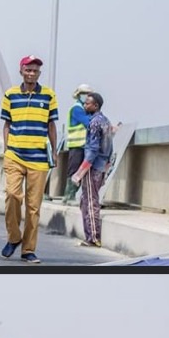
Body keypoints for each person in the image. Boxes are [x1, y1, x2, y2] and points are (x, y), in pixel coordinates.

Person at [0, 54, 58, 264]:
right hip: (14, 154)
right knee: (13, 196)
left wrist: (55, 151)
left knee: (34, 207)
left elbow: (51, 125)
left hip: (39, 157)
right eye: (28, 70)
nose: (31, 73)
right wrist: (6, 149)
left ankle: (28, 249)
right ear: (21, 71)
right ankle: (14, 237)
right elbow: (6, 124)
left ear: (39, 73)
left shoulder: (49, 96)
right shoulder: (11, 95)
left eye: (35, 70)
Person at [71, 92, 114, 249]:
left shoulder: (94, 123)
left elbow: (92, 149)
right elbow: (109, 147)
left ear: (95, 106)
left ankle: (93, 238)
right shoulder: (106, 121)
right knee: (86, 200)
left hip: (93, 167)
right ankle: (91, 236)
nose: (85, 105)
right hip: (101, 167)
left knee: (90, 201)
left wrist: (81, 171)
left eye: (88, 103)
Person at [62, 84, 93, 204]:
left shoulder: (84, 109)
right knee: (74, 170)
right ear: (79, 95)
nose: (87, 96)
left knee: (80, 171)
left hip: (83, 145)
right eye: (85, 93)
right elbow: (88, 123)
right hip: (76, 145)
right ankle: (69, 196)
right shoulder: (77, 109)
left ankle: (72, 196)